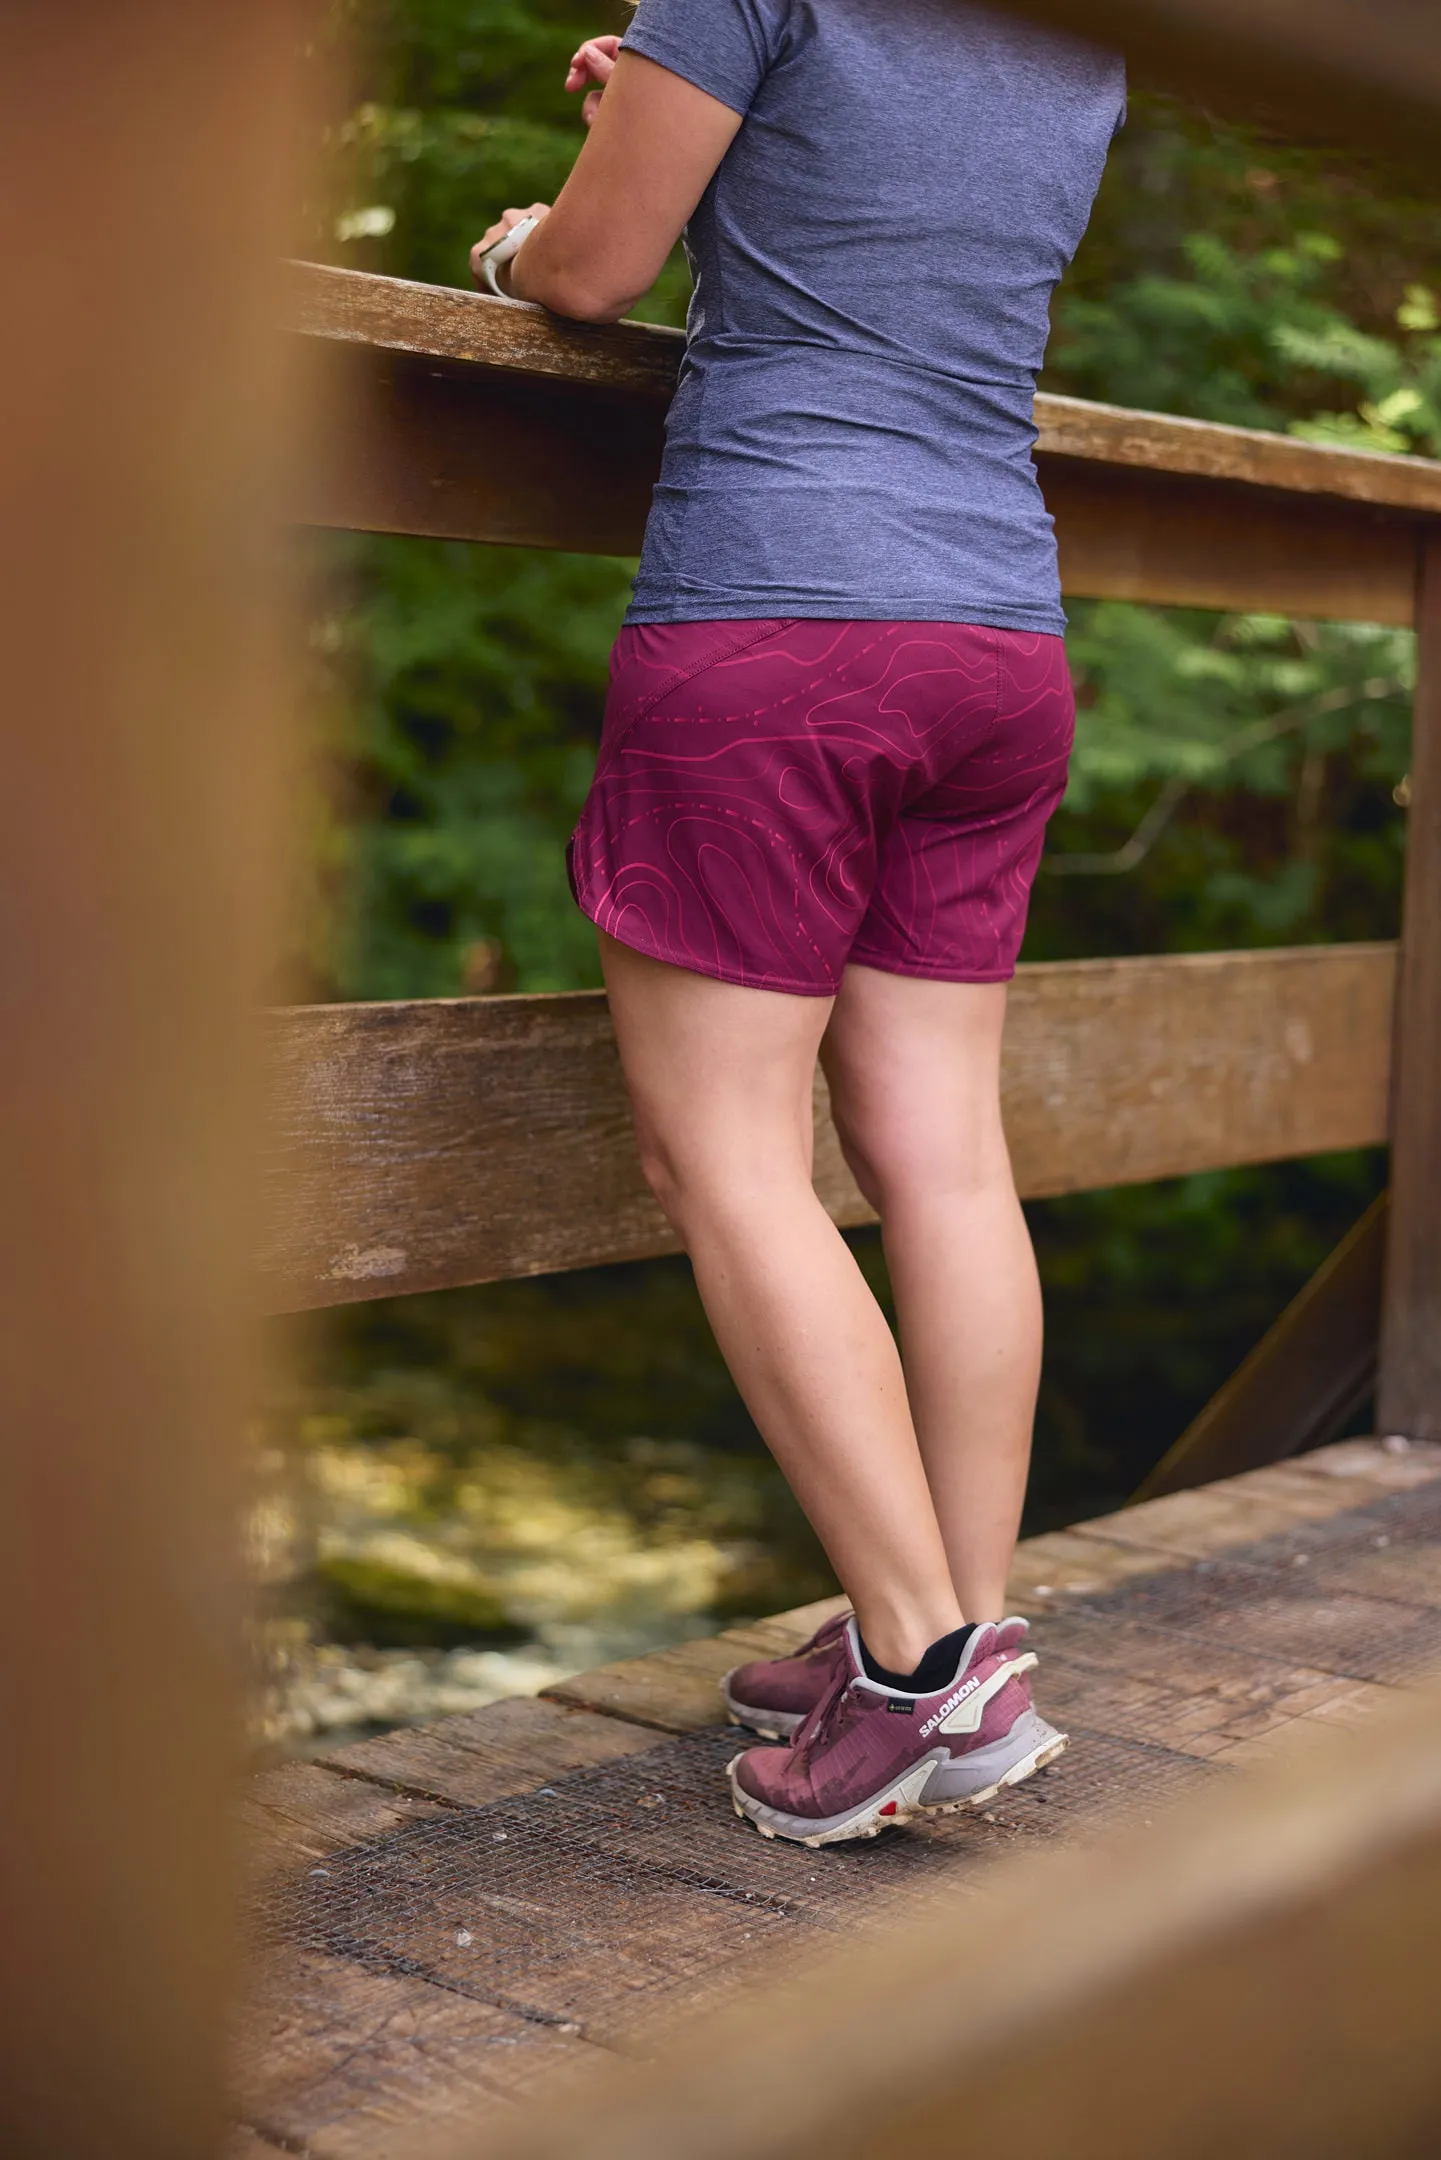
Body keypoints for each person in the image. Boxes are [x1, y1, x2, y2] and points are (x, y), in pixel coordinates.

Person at [472, 0, 1125, 1848]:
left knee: (732, 1162)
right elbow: (886, 200)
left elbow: (595, 273)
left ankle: (919, 1675)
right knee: (943, 1155)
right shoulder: (1088, 35)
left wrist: (523, 233)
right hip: (997, 633)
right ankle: (964, 1636)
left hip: (778, 611)